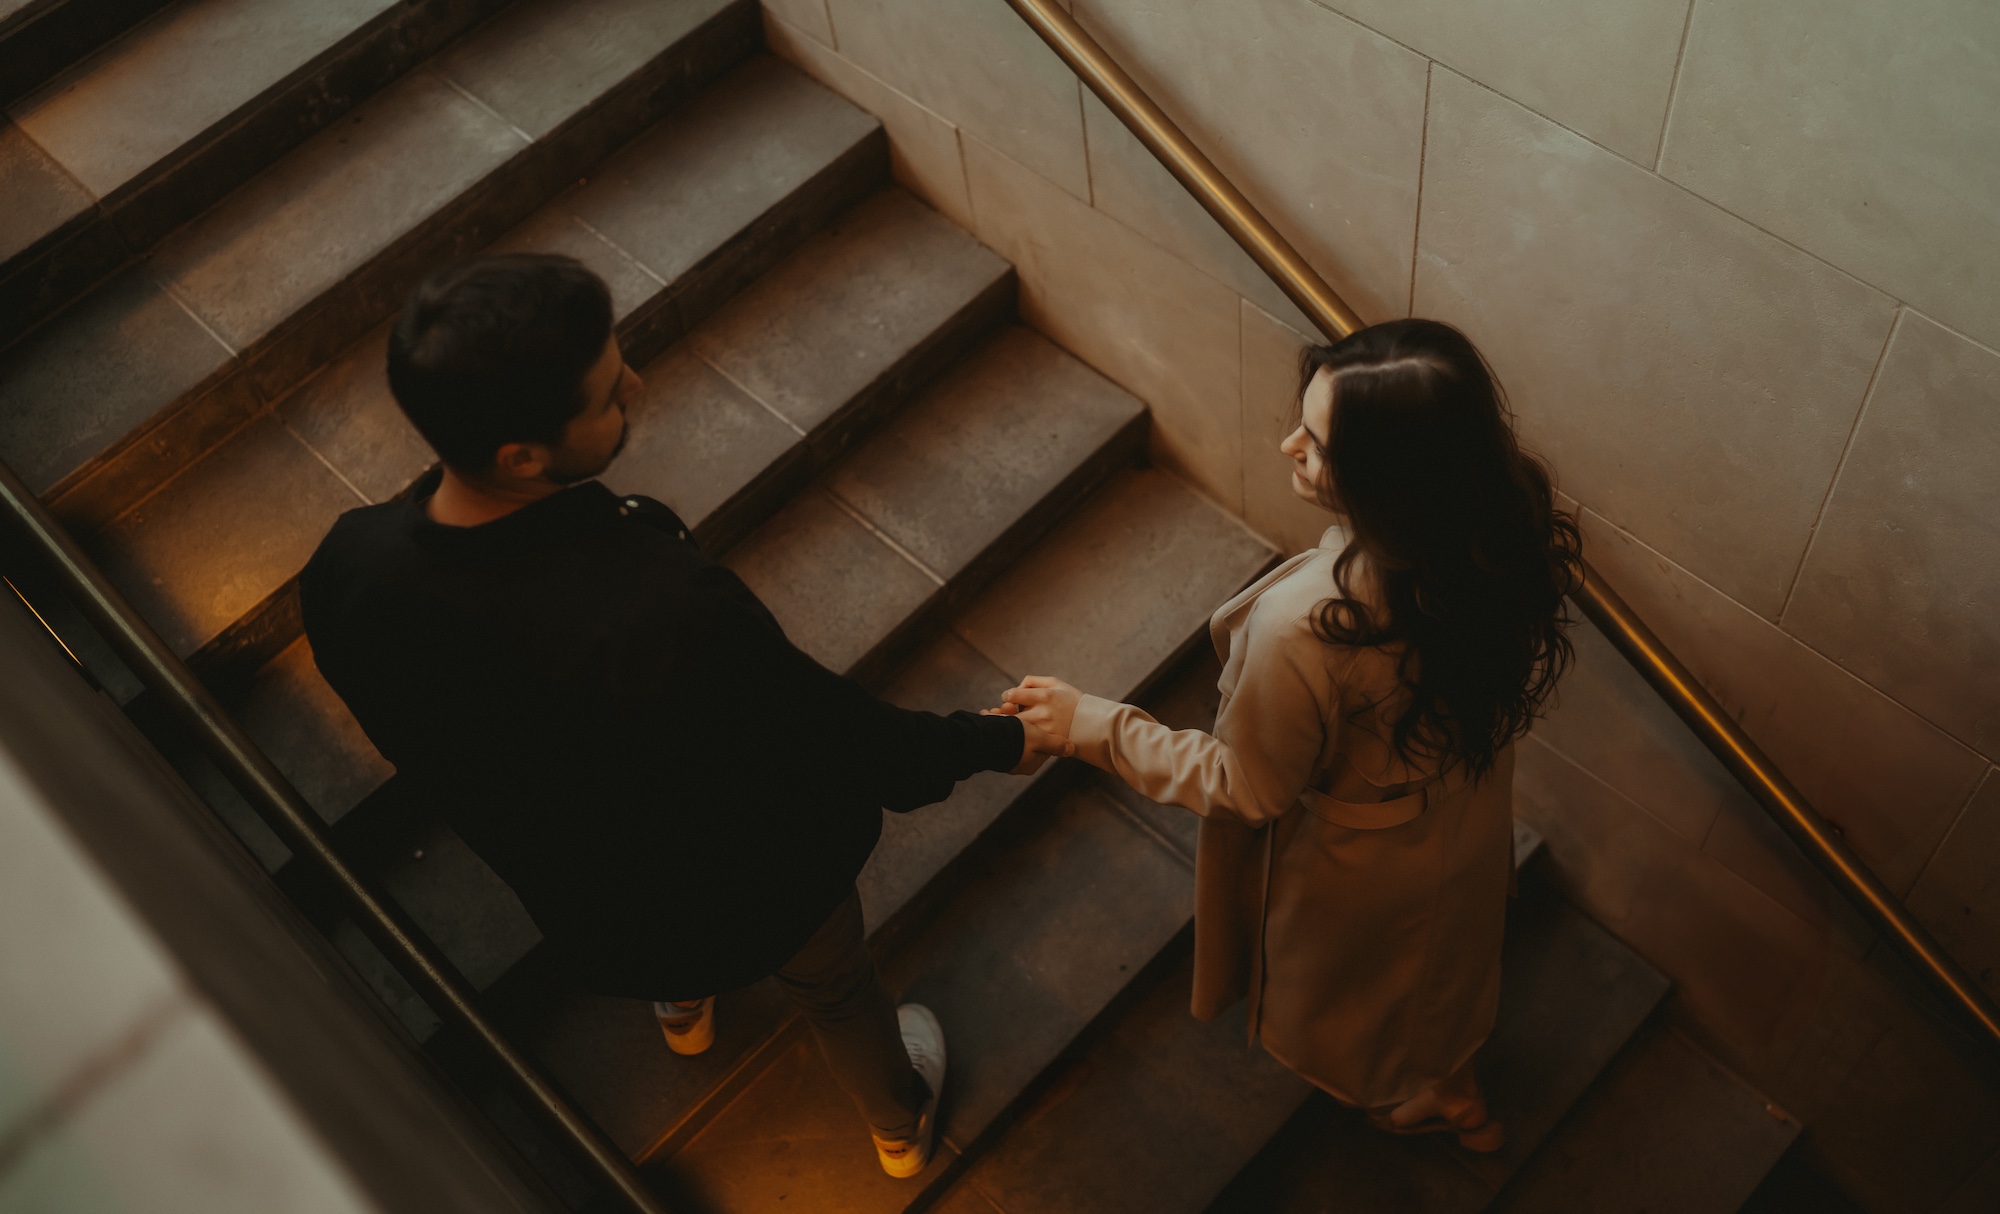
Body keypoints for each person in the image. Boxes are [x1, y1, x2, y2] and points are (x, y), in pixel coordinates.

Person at [299, 253, 1059, 1179]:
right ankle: (900, 1126)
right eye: (606, 392)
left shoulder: (348, 569)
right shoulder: (660, 612)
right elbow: (847, 740)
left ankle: (682, 1005)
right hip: (758, 879)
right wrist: (1003, 739)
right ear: (521, 457)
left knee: (666, 943)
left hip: (598, 903)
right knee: (835, 989)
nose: (637, 383)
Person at [998, 319, 1581, 1151]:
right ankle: (1460, 1093)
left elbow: (1247, 786)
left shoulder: (1307, 627)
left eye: (1318, 443)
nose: (1288, 445)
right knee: (1446, 965)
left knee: (1368, 996)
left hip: (1361, 863)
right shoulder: (1498, 522)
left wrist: (1091, 725)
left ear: (1391, 482)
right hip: (1466, 811)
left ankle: (1422, 1094)